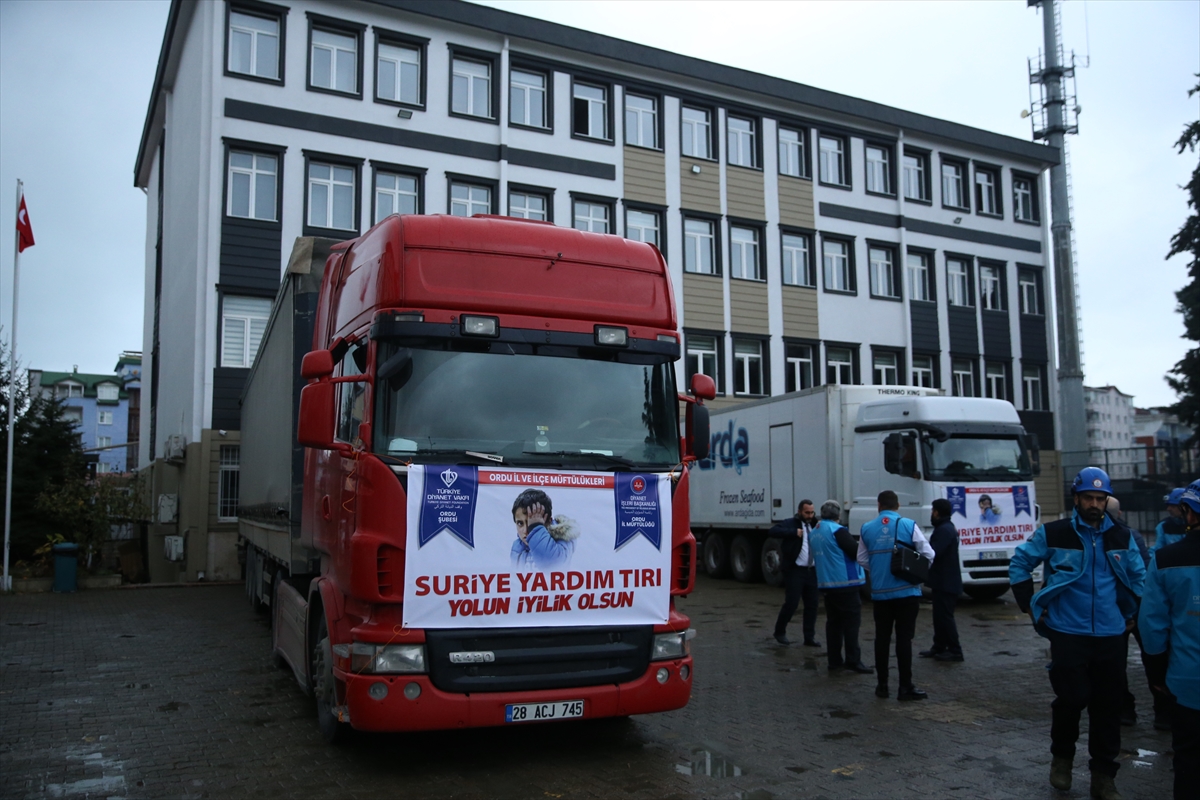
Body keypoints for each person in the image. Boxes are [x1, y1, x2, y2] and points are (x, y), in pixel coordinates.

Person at [1008, 467, 1145, 800]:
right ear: (1077, 499)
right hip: (1067, 632)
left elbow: (1140, 578)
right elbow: (1019, 564)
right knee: (1071, 699)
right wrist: (1029, 605)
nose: (1095, 504)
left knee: (1108, 706)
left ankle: (1103, 776)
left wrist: (1135, 614)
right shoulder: (1054, 533)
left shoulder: (1123, 537)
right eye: (1089, 498)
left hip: (1112, 634)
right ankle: (1062, 759)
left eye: (1101, 498)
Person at [1137, 480, 1200, 800]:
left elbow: (1151, 626)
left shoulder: (1164, 560)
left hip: (1186, 682)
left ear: (1189, 513)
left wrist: (1157, 674)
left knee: (1188, 762)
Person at [858, 490, 935, 701]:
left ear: (878, 505)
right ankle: (905, 687)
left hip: (881, 594)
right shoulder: (907, 525)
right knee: (904, 639)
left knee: (881, 639)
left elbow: (862, 559)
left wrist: (878, 568)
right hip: (906, 592)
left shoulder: (866, 528)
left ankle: (882, 686)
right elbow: (930, 554)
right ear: (898, 505)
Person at [809, 500, 873, 675]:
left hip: (827, 584)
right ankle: (853, 660)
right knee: (851, 625)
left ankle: (834, 661)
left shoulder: (815, 531)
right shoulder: (838, 531)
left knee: (834, 625)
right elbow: (855, 553)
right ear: (837, 515)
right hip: (846, 583)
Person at [1105, 497, 1153, 728]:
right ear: (1120, 513)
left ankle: (1125, 710)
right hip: (1139, 606)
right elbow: (1143, 573)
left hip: (1113, 608)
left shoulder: (1097, 537)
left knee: (1116, 663)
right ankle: (1163, 710)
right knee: (1152, 656)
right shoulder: (1132, 536)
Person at [769, 499, 821, 647]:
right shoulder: (791, 523)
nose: (810, 515)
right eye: (807, 512)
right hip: (795, 570)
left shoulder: (816, 524)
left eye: (812, 512)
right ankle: (779, 631)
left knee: (812, 605)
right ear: (800, 512)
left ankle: (809, 637)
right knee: (791, 603)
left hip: (811, 571)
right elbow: (773, 531)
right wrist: (793, 532)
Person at [920, 498, 963, 662]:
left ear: (937, 512)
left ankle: (954, 649)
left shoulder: (944, 530)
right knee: (939, 616)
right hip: (944, 581)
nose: (932, 514)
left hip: (946, 581)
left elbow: (934, 552)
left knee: (945, 617)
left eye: (933, 511)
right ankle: (939, 646)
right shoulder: (946, 528)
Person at [510, 489, 578, 570]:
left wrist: (536, 528)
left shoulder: (563, 539)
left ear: (549, 521)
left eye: (531, 524)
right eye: (520, 523)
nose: (525, 531)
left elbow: (552, 564)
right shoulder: (517, 548)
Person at [1153, 487, 1187, 556]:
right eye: (1168, 505)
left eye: (1173, 506)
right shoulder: (1163, 526)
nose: (1168, 509)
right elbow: (1158, 550)